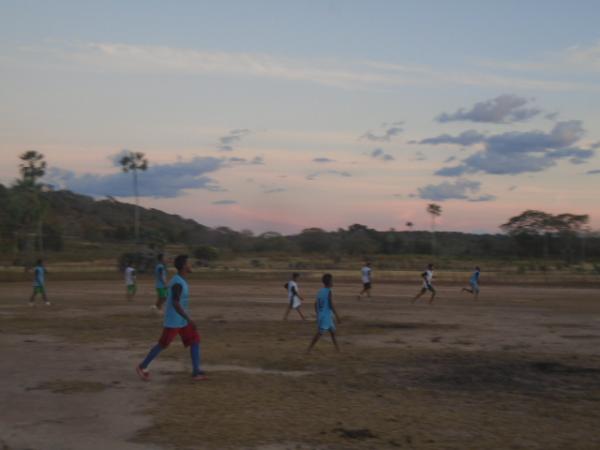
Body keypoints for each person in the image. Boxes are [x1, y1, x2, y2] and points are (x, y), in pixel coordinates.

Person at [136, 254, 206, 381]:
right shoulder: (178, 283)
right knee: (163, 344)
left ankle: (196, 371)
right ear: (184, 266)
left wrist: (186, 319)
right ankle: (142, 366)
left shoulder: (180, 280)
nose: (191, 265)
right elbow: (175, 302)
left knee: (195, 340)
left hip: (182, 321)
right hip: (173, 321)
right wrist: (189, 319)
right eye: (189, 263)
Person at [307, 273, 341, 353]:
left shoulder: (320, 291)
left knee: (332, 332)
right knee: (319, 333)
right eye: (332, 281)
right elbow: (331, 305)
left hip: (324, 315)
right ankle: (309, 349)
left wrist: (318, 313)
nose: (333, 282)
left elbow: (315, 304)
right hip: (326, 317)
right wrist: (337, 316)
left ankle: (338, 349)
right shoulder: (329, 291)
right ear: (329, 282)